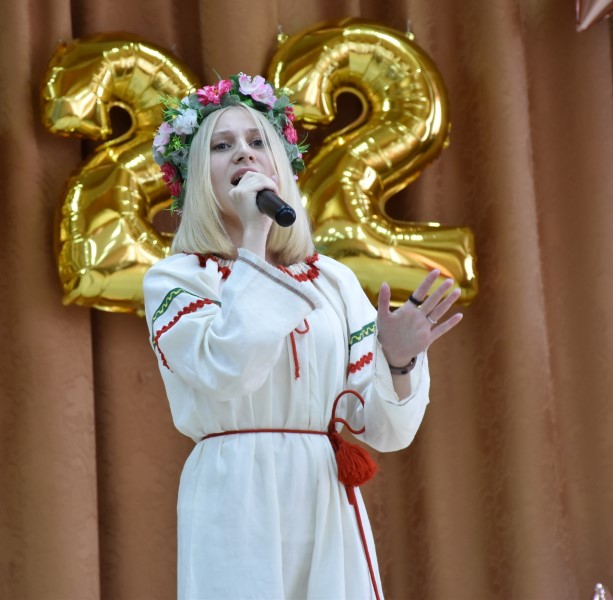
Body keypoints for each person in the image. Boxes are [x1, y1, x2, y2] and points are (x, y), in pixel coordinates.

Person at [143, 73, 463, 600]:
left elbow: (384, 430)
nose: (243, 153)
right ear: (196, 175)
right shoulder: (178, 279)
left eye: (257, 141)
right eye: (222, 146)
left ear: (281, 167)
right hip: (235, 492)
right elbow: (228, 370)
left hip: (322, 490)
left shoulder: (332, 279)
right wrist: (254, 234)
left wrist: (399, 362)